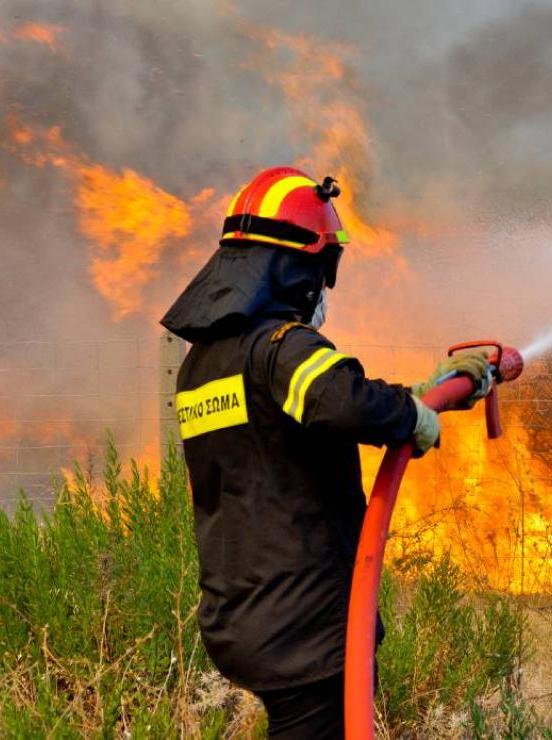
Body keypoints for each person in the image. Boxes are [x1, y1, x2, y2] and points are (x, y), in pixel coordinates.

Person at [160, 167, 489, 738]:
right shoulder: (280, 347)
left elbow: (303, 416)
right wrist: (415, 416)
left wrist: (419, 396)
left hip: (244, 613)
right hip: (304, 625)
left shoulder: (205, 363)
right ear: (298, 269)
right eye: (323, 269)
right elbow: (345, 402)